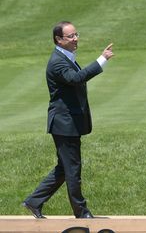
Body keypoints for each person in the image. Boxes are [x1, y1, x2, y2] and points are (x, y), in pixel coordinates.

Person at [22, 21, 114, 219]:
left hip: (67, 123)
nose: (75, 39)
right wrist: (101, 60)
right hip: (64, 124)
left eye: (76, 35)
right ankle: (81, 213)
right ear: (58, 39)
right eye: (70, 36)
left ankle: (33, 201)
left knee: (64, 168)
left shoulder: (66, 57)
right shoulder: (57, 61)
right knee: (73, 170)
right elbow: (75, 78)